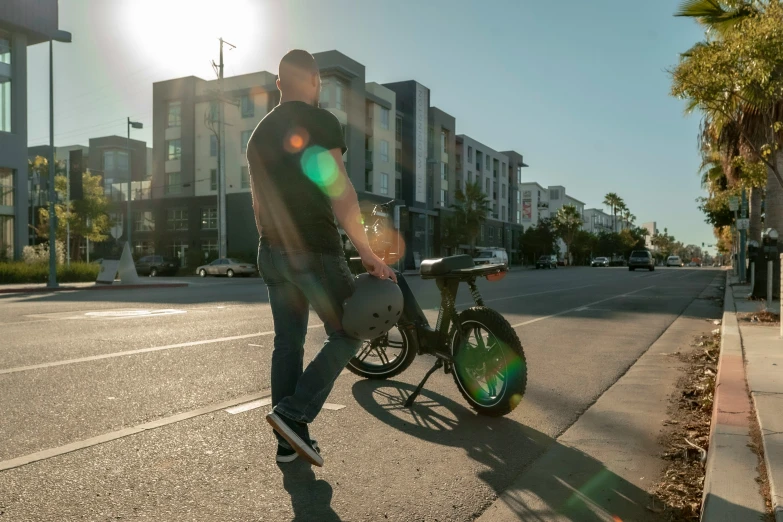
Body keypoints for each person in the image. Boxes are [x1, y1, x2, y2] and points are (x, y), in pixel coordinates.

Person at [246, 49, 397, 467]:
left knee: (288, 344)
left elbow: (258, 204)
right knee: (350, 331)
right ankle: (293, 414)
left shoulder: (257, 134)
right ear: (315, 82)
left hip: (271, 251)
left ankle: (287, 442)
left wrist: (271, 247)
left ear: (279, 84)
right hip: (314, 248)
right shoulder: (320, 120)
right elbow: (340, 189)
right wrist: (365, 250)